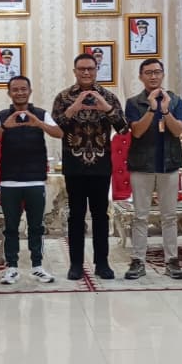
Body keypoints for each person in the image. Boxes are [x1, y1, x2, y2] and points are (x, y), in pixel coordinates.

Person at [53, 53, 128, 280]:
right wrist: (73, 108)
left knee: (100, 216)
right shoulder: (63, 97)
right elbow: (55, 128)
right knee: (75, 216)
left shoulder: (108, 96)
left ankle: (102, 263)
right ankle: (76, 264)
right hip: (74, 166)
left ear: (96, 70)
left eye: (90, 69)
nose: (86, 72)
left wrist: (106, 108)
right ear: (74, 71)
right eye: (82, 69)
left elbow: (123, 128)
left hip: (100, 166)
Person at [0, 75, 62, 284]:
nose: (20, 93)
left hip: (35, 180)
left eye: (23, 89)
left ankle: (37, 266)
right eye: (15, 89)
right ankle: (12, 267)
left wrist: (39, 124)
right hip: (9, 182)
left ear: (30, 91)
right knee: (11, 227)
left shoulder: (41, 114)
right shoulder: (2, 116)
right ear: (9, 93)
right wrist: (5, 127)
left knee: (36, 227)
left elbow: (59, 133)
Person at [124, 58, 182, 280]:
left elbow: (178, 130)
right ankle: (138, 261)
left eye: (157, 72)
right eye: (148, 72)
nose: (153, 76)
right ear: (141, 76)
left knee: (169, 216)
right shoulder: (133, 103)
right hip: (142, 164)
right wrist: (152, 109)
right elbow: (137, 132)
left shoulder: (175, 100)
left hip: (168, 163)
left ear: (163, 75)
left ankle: (172, 260)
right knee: (140, 216)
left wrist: (165, 110)